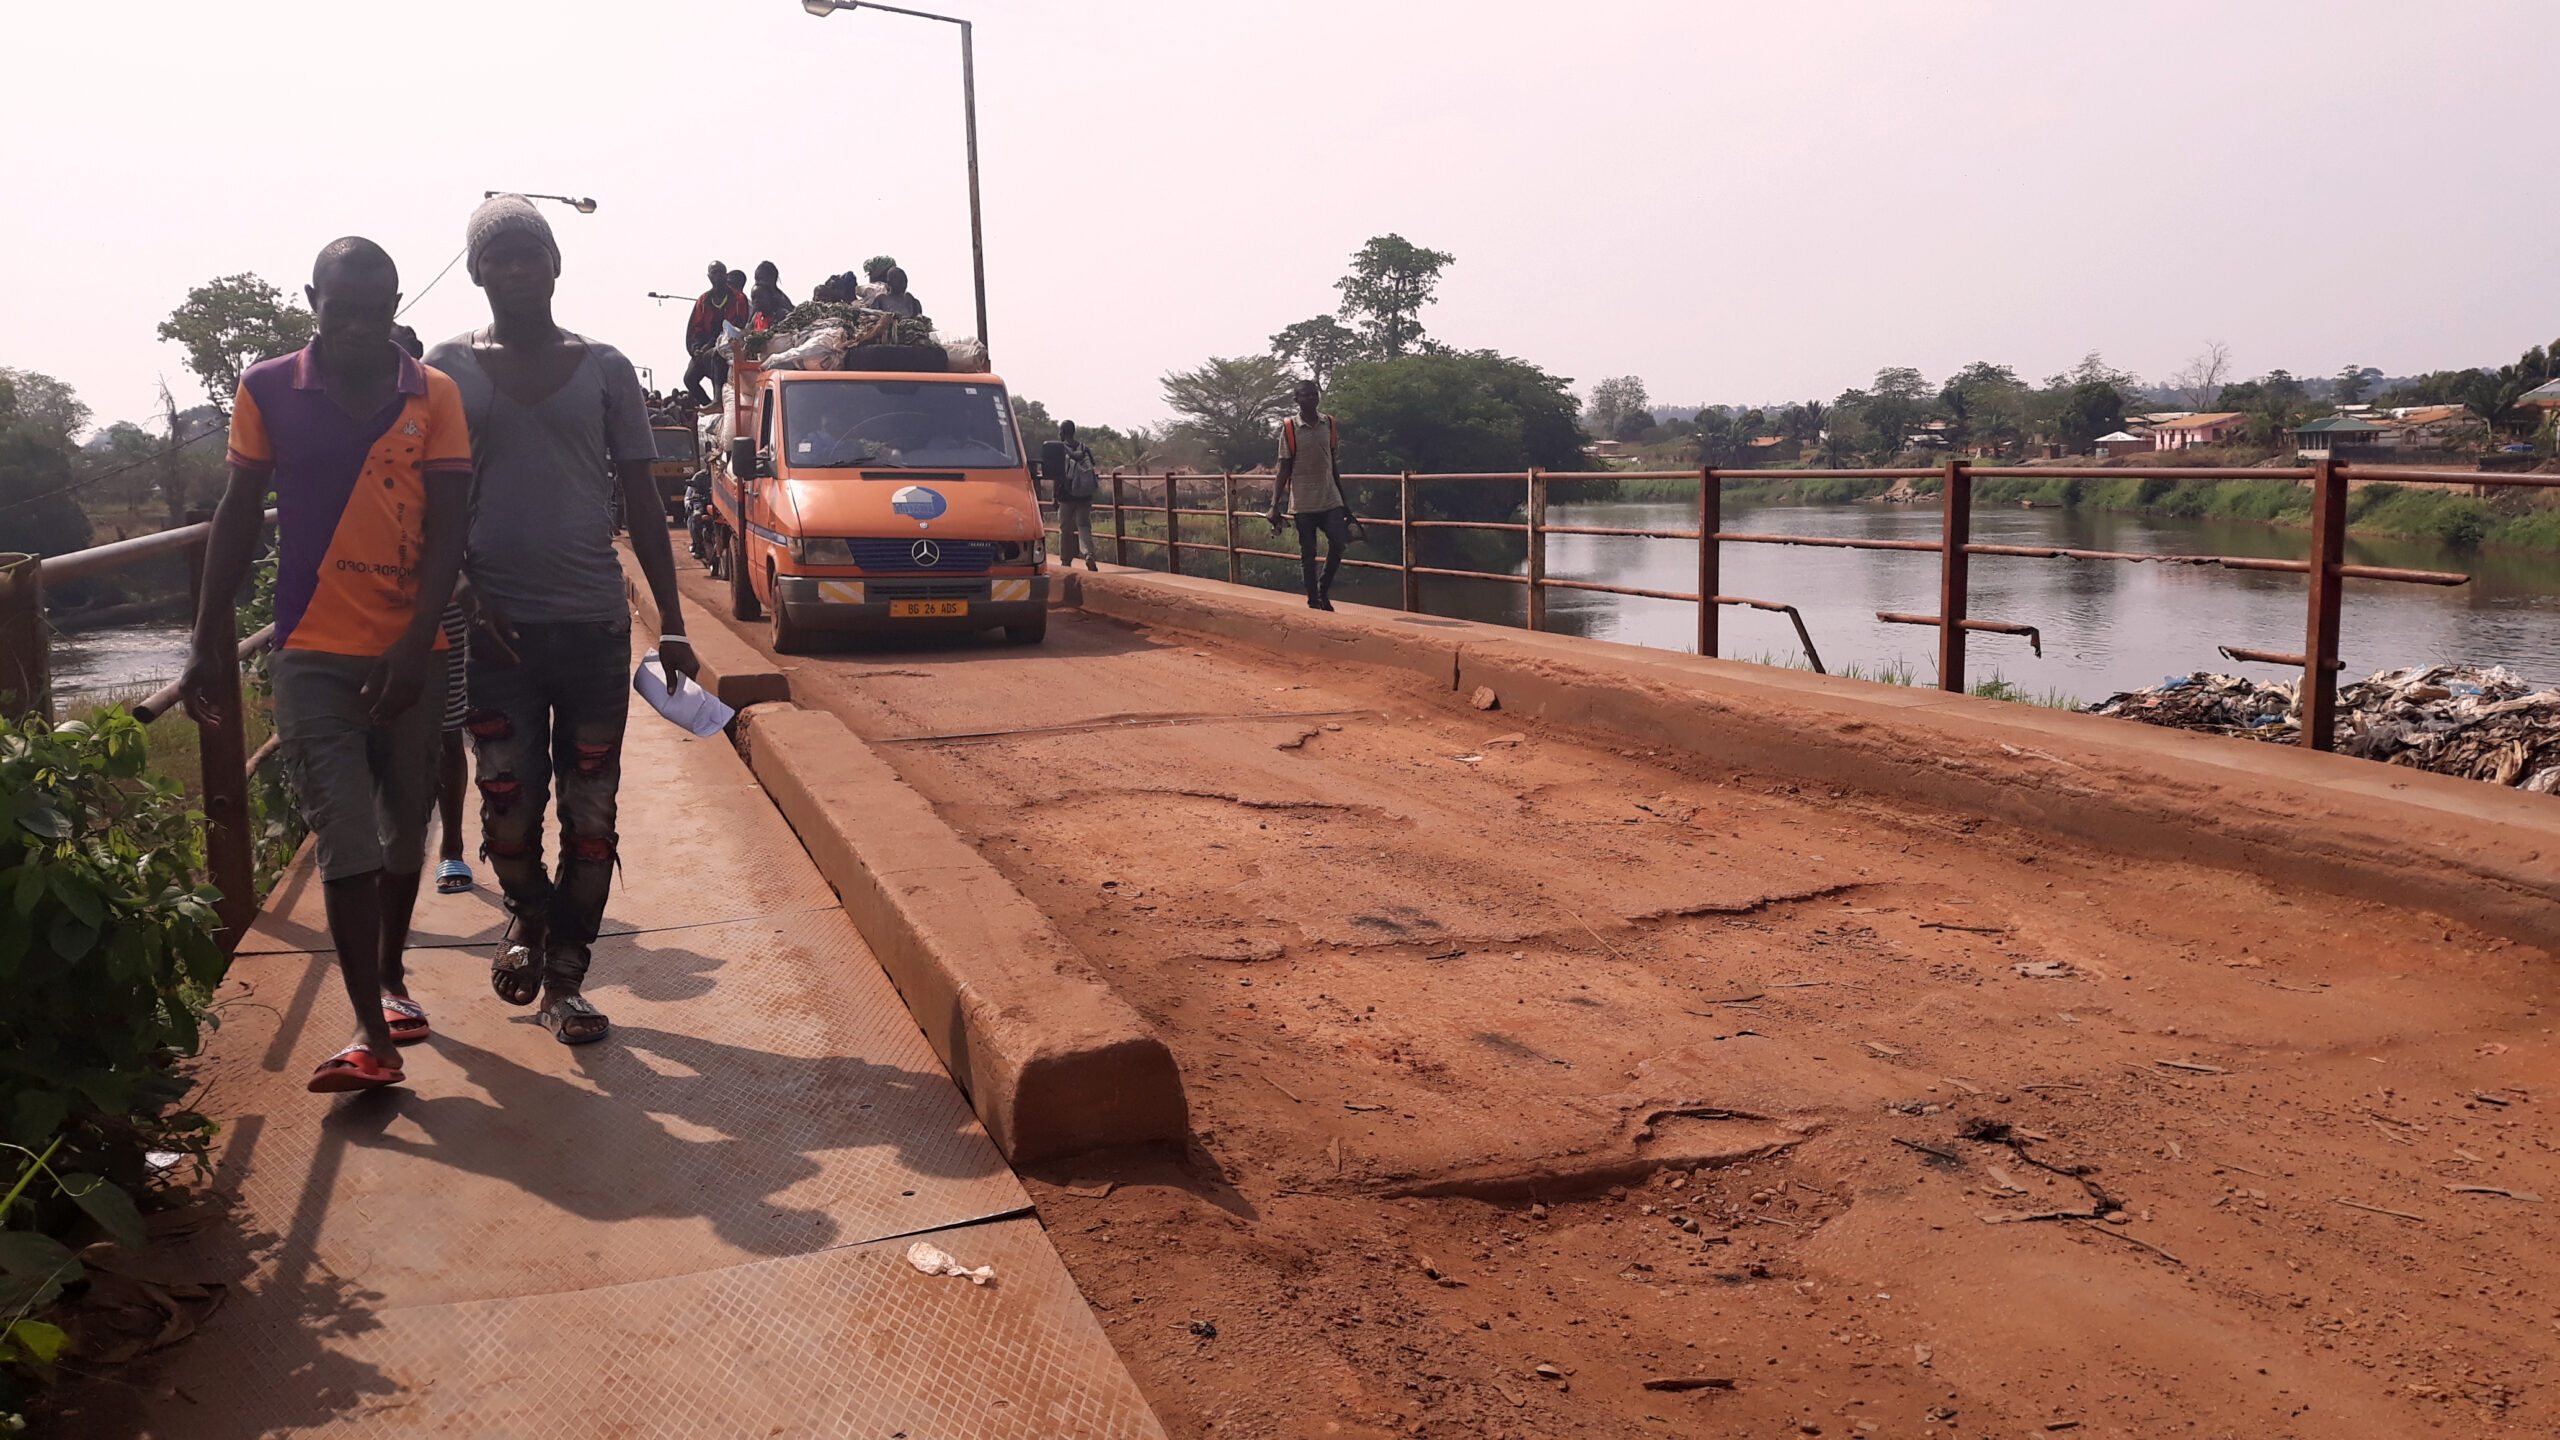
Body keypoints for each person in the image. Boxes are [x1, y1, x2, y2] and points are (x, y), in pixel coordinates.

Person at [181, 236, 472, 1092]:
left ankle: (390, 974)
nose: (353, 325)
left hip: (412, 653)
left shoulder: (434, 394)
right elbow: (239, 511)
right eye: (338, 308)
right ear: (312, 300)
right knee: (345, 835)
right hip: (309, 650)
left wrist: (416, 641)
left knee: (405, 824)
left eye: (372, 310)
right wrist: (205, 639)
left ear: (394, 308)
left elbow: (451, 525)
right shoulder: (268, 388)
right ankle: (370, 1032)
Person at [426, 195, 700, 1047]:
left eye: (530, 253)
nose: (515, 269)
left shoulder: (606, 368)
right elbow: (426, 497)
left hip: (591, 626)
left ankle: (567, 980)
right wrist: (458, 586)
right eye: (498, 255)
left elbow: (643, 502)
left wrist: (673, 621)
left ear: (555, 265)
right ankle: (530, 915)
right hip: (493, 633)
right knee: (507, 804)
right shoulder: (445, 369)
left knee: (591, 810)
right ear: (476, 270)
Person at [390, 322, 479, 898]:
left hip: (441, 601)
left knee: (448, 733)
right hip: (373, 604)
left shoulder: (442, 415)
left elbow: (459, 513)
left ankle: (452, 847)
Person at [1268, 378, 1350, 610]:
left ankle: (1323, 590)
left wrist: (1344, 500)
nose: (1312, 398)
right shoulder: (1289, 428)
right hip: (1302, 501)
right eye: (1306, 395)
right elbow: (1283, 467)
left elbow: (1332, 463)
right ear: (1296, 400)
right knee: (1308, 553)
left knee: (1339, 542)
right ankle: (1314, 600)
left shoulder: (1329, 423)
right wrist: (1274, 505)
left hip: (1329, 497)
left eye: (1314, 394)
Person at [681, 260, 747, 406]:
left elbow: (737, 325)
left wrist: (712, 344)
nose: (717, 276)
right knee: (689, 379)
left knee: (716, 356)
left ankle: (718, 401)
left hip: (729, 345)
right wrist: (695, 349)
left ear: (725, 275)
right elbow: (694, 328)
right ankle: (708, 404)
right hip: (705, 347)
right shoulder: (703, 300)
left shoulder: (738, 299)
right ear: (709, 276)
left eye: (720, 272)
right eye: (714, 273)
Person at [1042, 420, 1100, 570]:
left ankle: (1066, 561)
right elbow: (1092, 469)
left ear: (1062, 432)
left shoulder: (1060, 450)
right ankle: (1088, 554)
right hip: (1084, 495)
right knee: (1084, 526)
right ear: (1074, 432)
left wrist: (1054, 497)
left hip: (1066, 495)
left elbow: (1057, 476)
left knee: (1065, 529)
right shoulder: (1084, 448)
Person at [749, 261, 791, 329]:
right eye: (756, 279)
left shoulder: (783, 305)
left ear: (772, 279)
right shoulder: (758, 303)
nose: (757, 283)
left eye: (760, 279)